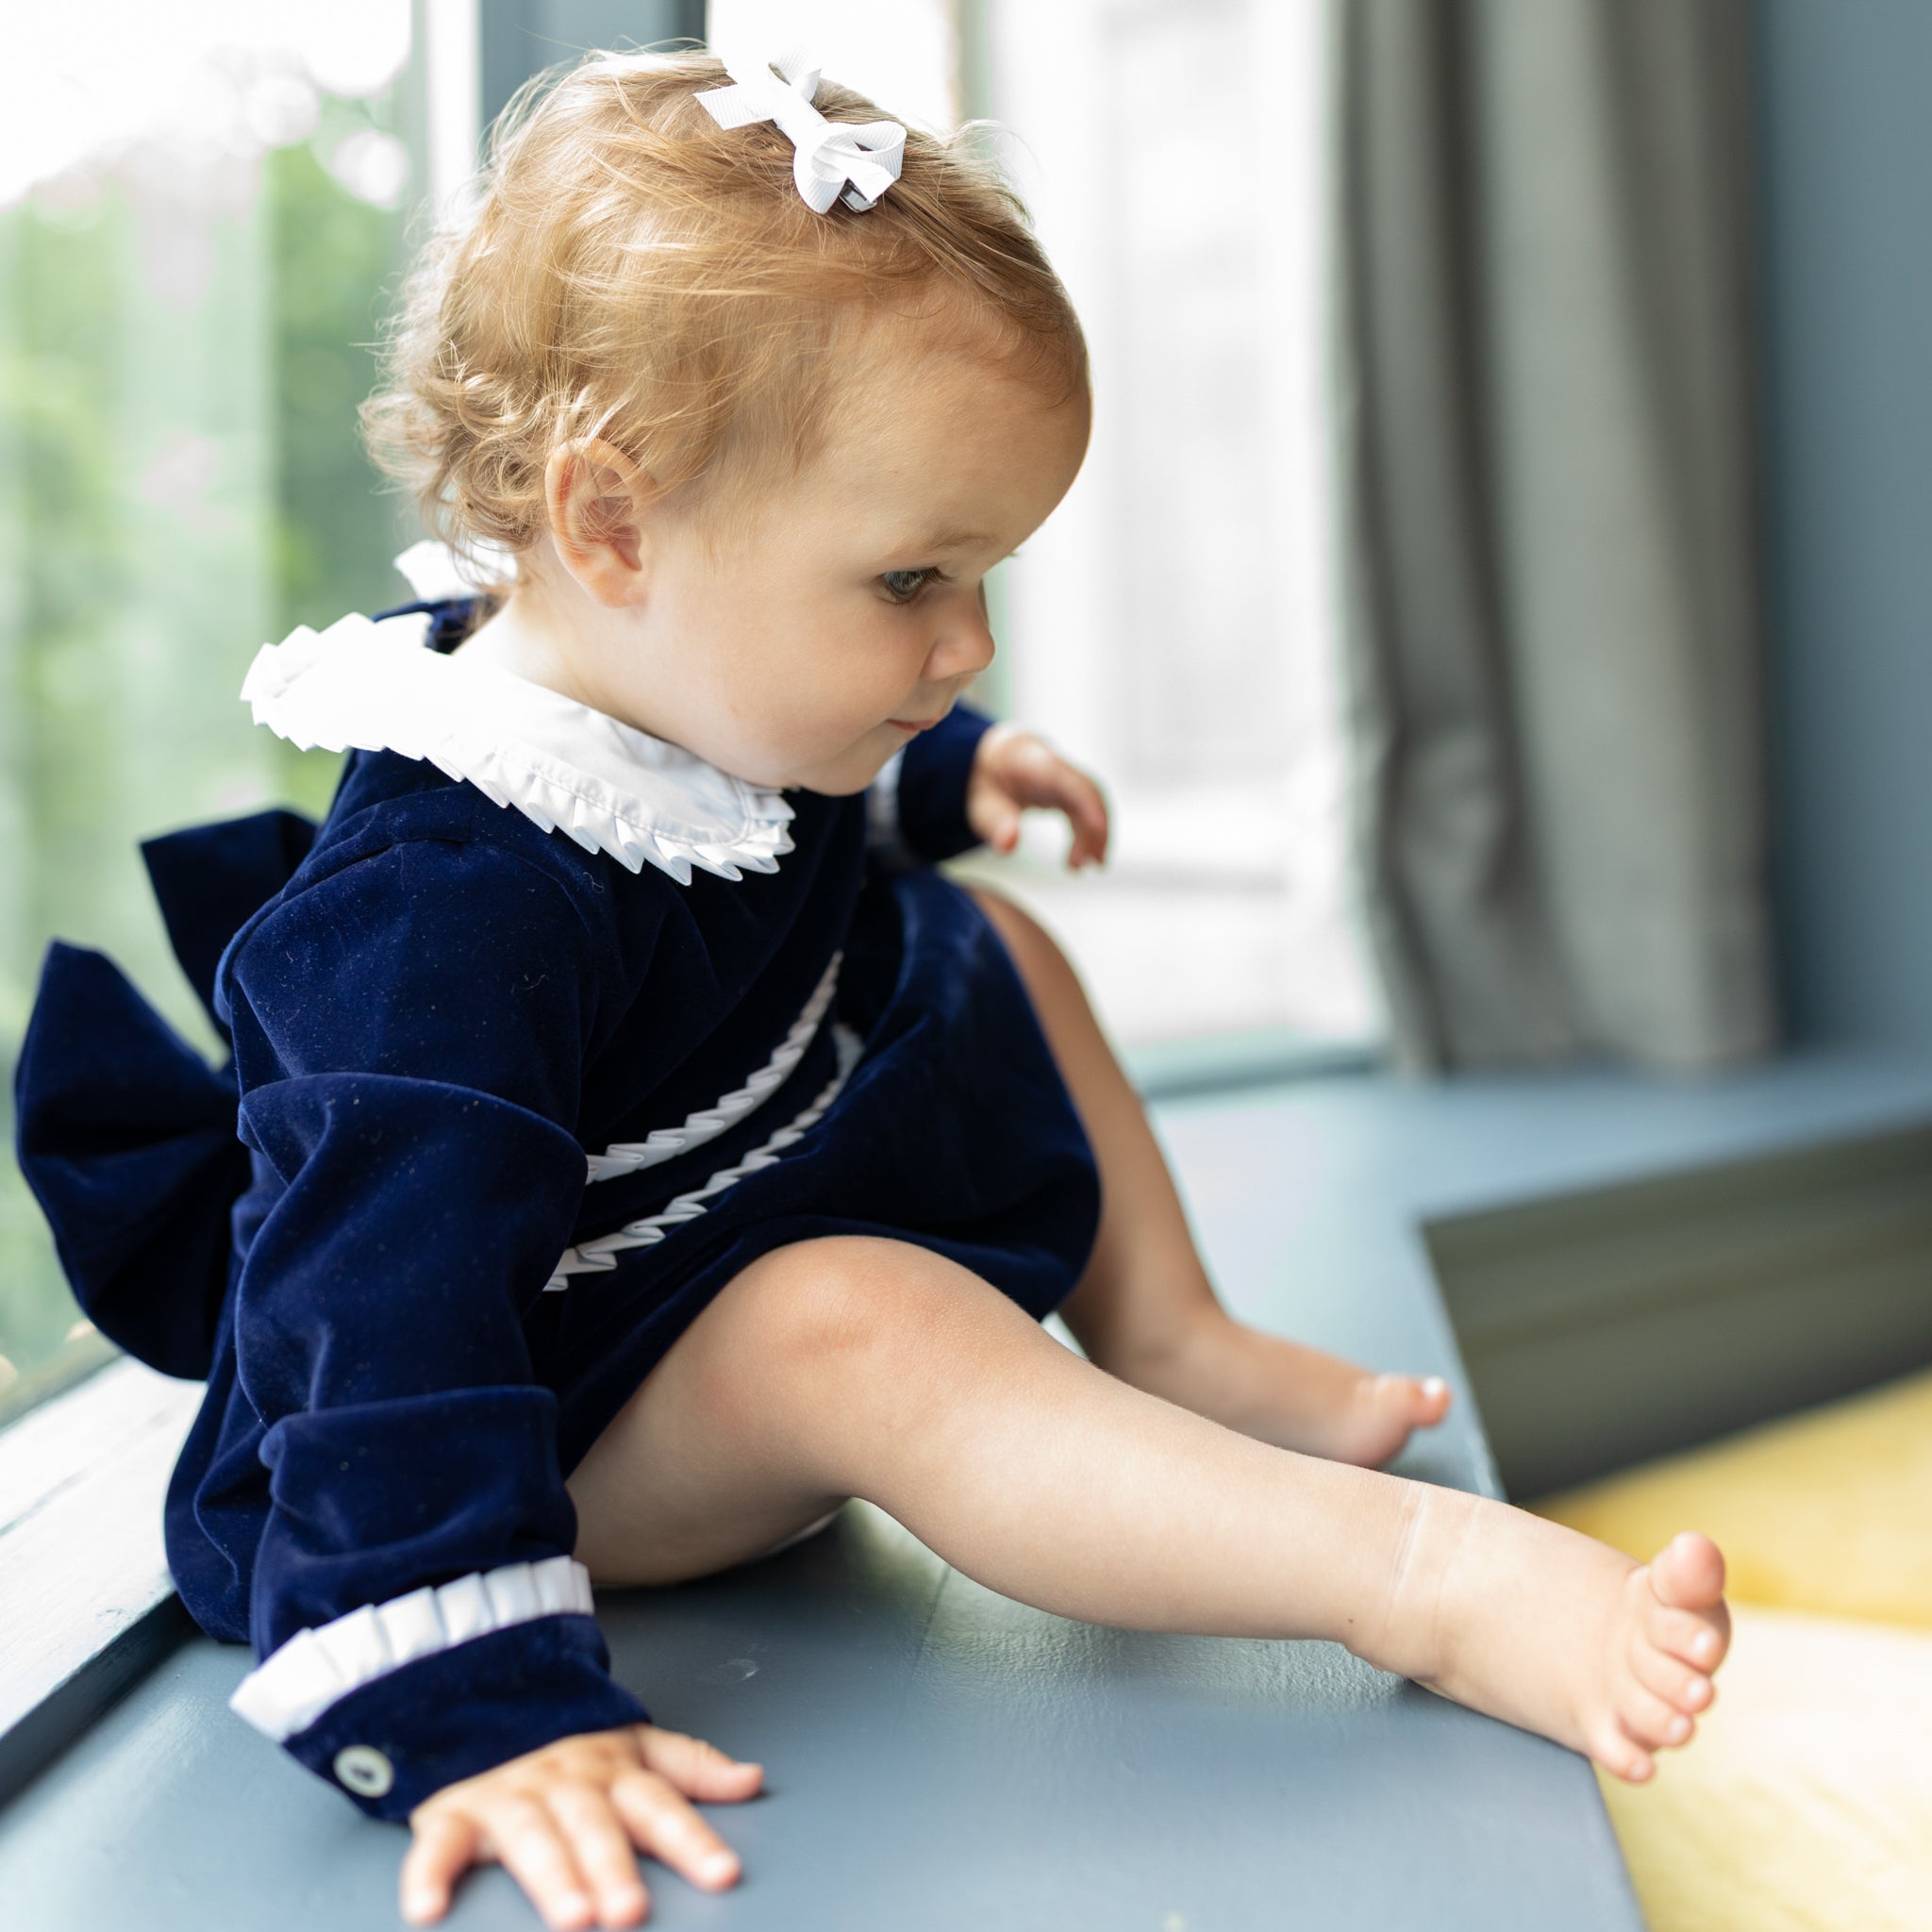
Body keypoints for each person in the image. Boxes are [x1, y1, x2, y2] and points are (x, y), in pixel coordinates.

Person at [13, 48, 1730, 1932]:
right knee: (849, 1324)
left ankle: (1176, 1341)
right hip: (531, 1418)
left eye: (976, 573)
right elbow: (377, 1317)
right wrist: (475, 1705)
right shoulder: (434, 909)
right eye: (910, 577)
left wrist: (930, 770)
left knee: (994, 940)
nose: (967, 637)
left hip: (704, 1228)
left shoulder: (647, 660)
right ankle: (1412, 1575)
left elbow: (736, 781)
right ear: (609, 526)